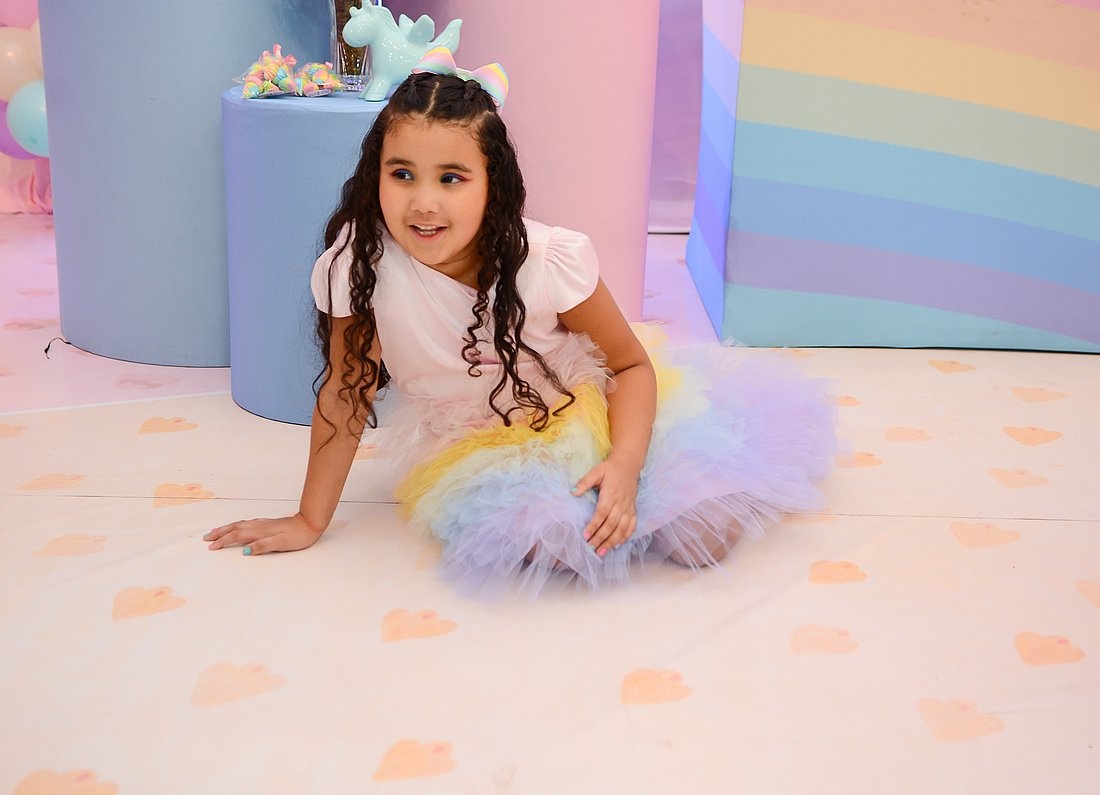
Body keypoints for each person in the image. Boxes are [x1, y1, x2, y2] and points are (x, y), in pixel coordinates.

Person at [204, 50, 836, 597]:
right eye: (402, 175)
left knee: (706, 532)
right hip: (481, 447)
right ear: (376, 176)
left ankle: (642, 493)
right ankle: (606, 516)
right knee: (552, 543)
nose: (423, 202)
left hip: (588, 409)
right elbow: (346, 393)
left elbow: (628, 366)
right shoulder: (359, 265)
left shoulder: (546, 261)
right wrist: (309, 519)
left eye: (452, 178)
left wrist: (624, 465)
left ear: (492, 185)